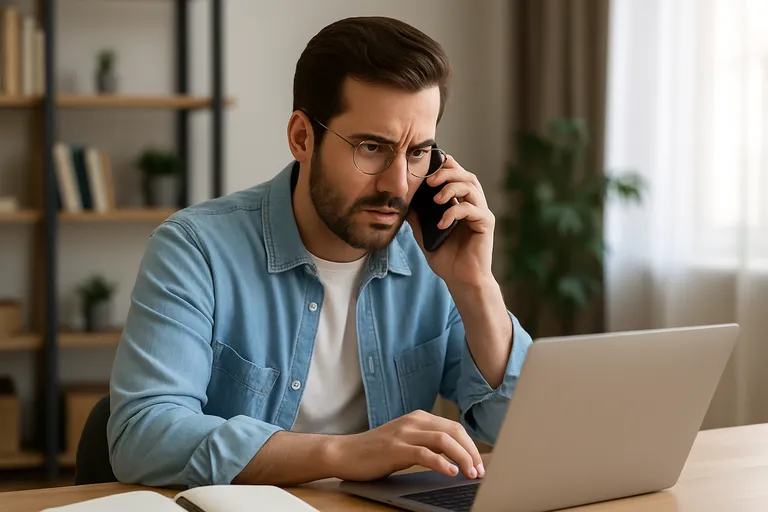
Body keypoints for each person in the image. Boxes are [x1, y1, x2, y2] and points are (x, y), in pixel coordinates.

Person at [107, 16, 532, 489]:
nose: (397, 185)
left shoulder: (435, 259)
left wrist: (476, 286)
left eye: (418, 154)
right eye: (372, 147)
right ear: (302, 138)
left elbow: (524, 433)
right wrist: (341, 453)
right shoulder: (195, 249)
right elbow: (141, 436)